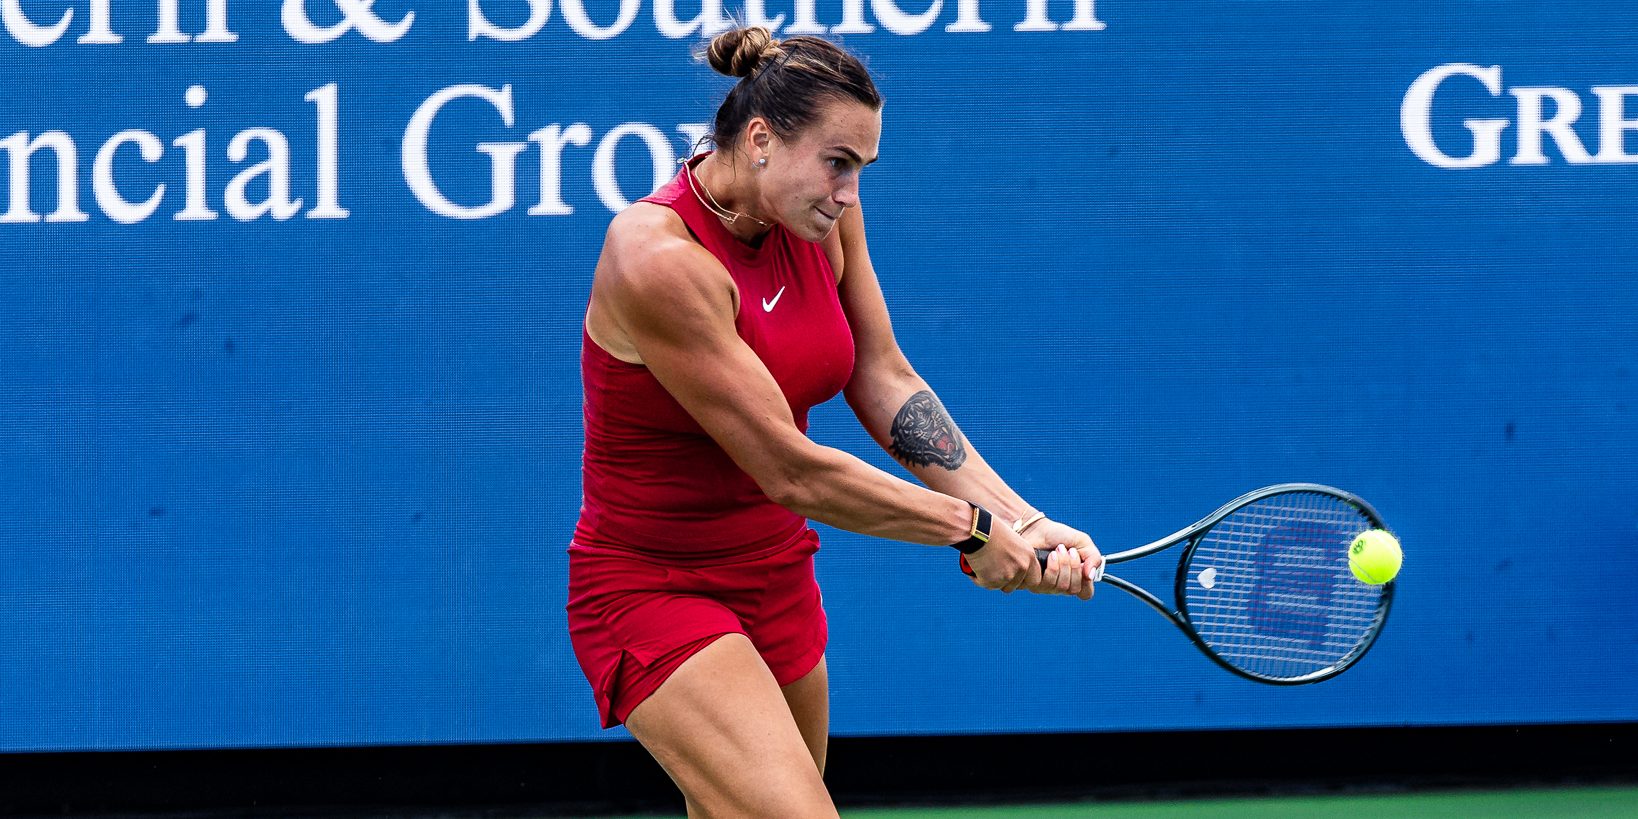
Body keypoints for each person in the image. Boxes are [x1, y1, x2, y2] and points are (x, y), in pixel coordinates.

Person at [566, 26, 1103, 817]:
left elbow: (882, 377)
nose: (849, 191)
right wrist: (975, 529)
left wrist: (1024, 519)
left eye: (860, 169)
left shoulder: (819, 216)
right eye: (836, 162)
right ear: (758, 140)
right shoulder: (659, 259)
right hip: (654, 585)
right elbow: (792, 468)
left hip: (776, 573)